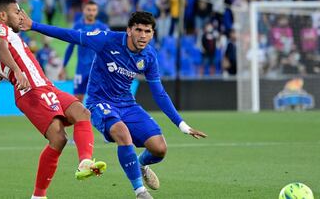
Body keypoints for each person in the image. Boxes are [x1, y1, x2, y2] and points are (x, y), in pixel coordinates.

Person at [21, 11, 207, 199]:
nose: (143, 35)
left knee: (159, 149)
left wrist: (182, 125)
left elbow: (159, 93)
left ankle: (140, 164)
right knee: (122, 133)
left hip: (128, 104)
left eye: (148, 31)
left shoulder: (149, 56)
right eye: (139, 30)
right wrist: (34, 25)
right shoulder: (106, 40)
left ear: (152, 34)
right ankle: (140, 191)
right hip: (99, 103)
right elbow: (71, 35)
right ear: (129, 30)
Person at [0, 0, 106, 199]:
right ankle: (39, 196)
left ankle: (85, 162)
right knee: (58, 138)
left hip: (46, 86)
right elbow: (0, 49)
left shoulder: (3, 48)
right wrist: (17, 70)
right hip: (31, 92)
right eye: (17, 12)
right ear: (3, 15)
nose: (21, 15)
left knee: (82, 112)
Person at [62, 0, 109, 103]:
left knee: (100, 99)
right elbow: (70, 48)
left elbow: (109, 48)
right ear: (83, 10)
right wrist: (63, 66)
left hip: (98, 69)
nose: (91, 12)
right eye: (89, 10)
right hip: (81, 69)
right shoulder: (77, 27)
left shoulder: (103, 28)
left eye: (94, 10)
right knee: (77, 100)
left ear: (97, 12)